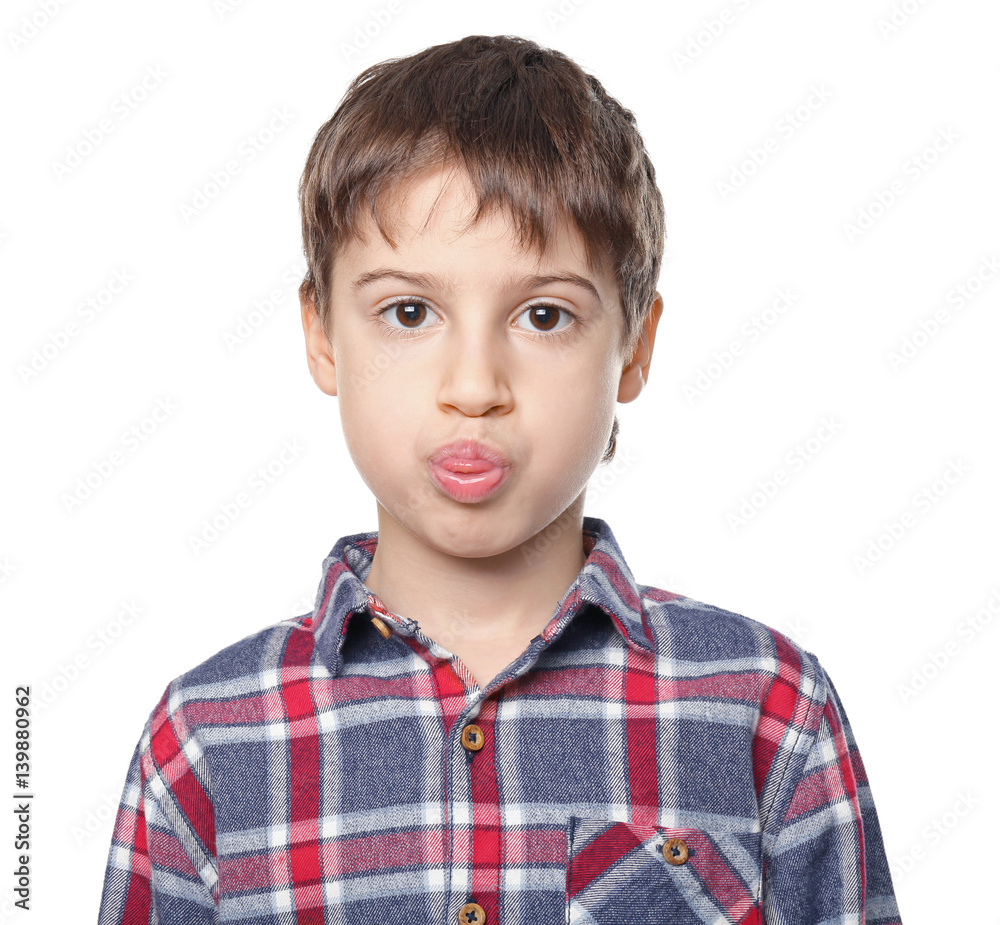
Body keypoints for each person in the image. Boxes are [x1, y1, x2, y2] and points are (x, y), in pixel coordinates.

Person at [98, 34, 902, 924]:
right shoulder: (208, 743)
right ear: (322, 333)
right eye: (410, 312)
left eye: (544, 314)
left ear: (634, 347)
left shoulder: (767, 711)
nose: (474, 386)